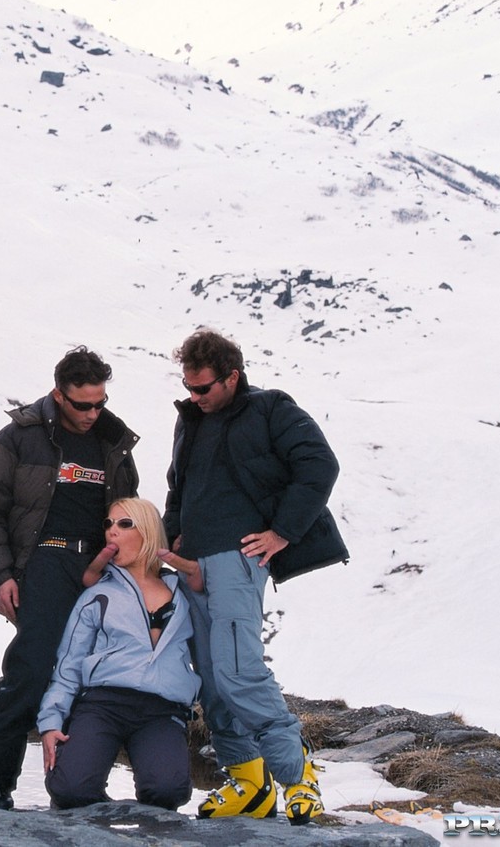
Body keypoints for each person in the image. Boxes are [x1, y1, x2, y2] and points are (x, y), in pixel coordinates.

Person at [163, 327, 347, 824]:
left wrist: (282, 532)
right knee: (210, 679)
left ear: (232, 377)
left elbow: (319, 465)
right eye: (188, 387)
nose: (194, 397)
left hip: (236, 560)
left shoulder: (270, 408)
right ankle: (248, 782)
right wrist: (174, 533)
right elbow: (178, 484)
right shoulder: (191, 421)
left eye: (203, 388)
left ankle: (297, 775)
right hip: (191, 563)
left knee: (238, 671)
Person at [0, 346, 141, 809]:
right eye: (83, 404)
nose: (92, 413)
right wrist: (0, 575)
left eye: (100, 402)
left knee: (91, 676)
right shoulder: (20, 437)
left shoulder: (113, 440)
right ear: (58, 395)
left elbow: (130, 510)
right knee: (34, 671)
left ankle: (77, 787)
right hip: (43, 563)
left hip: (100, 570)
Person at [37, 497, 199, 811]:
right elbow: (68, 664)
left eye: (125, 524)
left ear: (149, 533)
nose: (112, 532)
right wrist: (50, 722)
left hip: (161, 710)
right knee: (70, 791)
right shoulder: (98, 595)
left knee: (168, 791)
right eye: (108, 524)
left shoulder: (183, 594)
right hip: (103, 705)